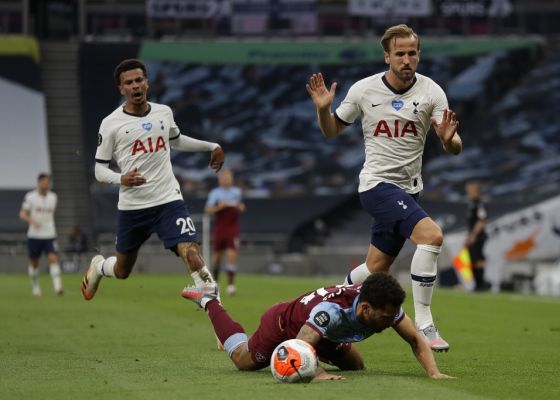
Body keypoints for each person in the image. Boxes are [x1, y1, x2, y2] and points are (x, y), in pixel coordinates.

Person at [306, 24, 462, 351]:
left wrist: (449, 142)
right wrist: (323, 109)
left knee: (375, 269)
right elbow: (332, 130)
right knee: (432, 236)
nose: (407, 59)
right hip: (376, 185)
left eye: (412, 53)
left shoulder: (432, 91)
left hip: (409, 190)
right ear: (387, 56)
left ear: (418, 55)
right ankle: (425, 324)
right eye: (400, 53)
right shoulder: (364, 90)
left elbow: (453, 142)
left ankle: (329, 303)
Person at [80, 58, 225, 300]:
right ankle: (98, 266)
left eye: (139, 80)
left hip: (169, 200)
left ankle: (221, 325)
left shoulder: (163, 112)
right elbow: (99, 170)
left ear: (146, 82)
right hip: (133, 208)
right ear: (121, 89)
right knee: (122, 270)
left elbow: (175, 140)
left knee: (191, 254)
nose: (135, 86)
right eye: (129, 83)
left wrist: (212, 145)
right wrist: (121, 178)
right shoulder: (111, 124)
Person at [181, 272, 452, 380]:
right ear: (365, 308)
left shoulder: (386, 305)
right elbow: (300, 344)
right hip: (285, 325)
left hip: (326, 335)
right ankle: (209, 299)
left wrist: (434, 373)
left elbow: (416, 340)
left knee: (356, 366)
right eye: (384, 317)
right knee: (243, 360)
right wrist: (319, 373)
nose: (389, 321)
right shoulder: (331, 312)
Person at [19, 173, 63, 296]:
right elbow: (22, 214)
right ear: (38, 183)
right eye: (43, 182)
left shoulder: (53, 197)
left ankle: (58, 287)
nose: (45, 184)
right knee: (34, 262)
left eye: (47, 182)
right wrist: (32, 221)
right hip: (34, 235)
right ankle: (35, 286)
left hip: (49, 234)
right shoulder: (30, 197)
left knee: (53, 258)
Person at [204, 169, 245, 296]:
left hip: (232, 228)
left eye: (229, 177)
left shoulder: (237, 192)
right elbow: (208, 210)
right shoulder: (215, 193)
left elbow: (241, 207)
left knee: (232, 255)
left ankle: (231, 285)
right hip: (220, 227)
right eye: (224, 177)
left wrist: (240, 207)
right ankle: (215, 282)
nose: (226, 179)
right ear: (220, 179)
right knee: (217, 257)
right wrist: (219, 207)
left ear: (232, 179)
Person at [465, 181, 488, 291]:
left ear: (476, 191)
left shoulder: (479, 204)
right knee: (473, 260)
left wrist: (473, 235)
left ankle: (480, 285)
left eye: (470, 190)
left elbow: (481, 221)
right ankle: (477, 285)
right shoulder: (472, 204)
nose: (468, 192)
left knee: (478, 259)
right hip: (472, 235)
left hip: (478, 236)